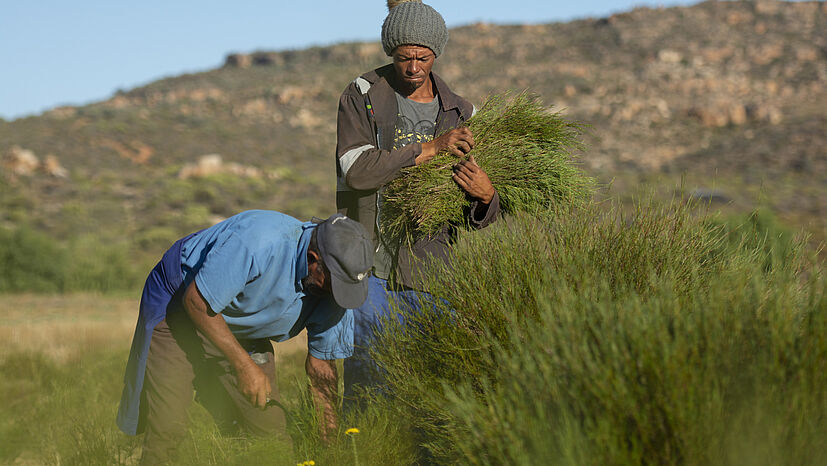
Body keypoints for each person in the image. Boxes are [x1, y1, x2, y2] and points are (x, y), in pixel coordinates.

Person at [335, 0, 501, 405]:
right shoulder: (362, 95)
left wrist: (488, 195)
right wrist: (430, 149)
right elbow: (356, 170)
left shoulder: (463, 112)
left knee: (433, 385)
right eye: (404, 57)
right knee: (370, 384)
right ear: (390, 52)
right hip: (372, 269)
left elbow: (483, 214)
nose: (413, 67)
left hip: (436, 273)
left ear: (436, 54)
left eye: (422, 57)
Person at [116, 210, 373, 464]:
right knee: (168, 429)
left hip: (242, 326)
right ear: (313, 259)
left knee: (271, 434)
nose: (338, 295)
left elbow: (321, 369)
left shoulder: (336, 294)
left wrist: (331, 447)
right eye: (334, 284)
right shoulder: (258, 242)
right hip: (182, 307)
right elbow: (196, 302)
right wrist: (244, 366)